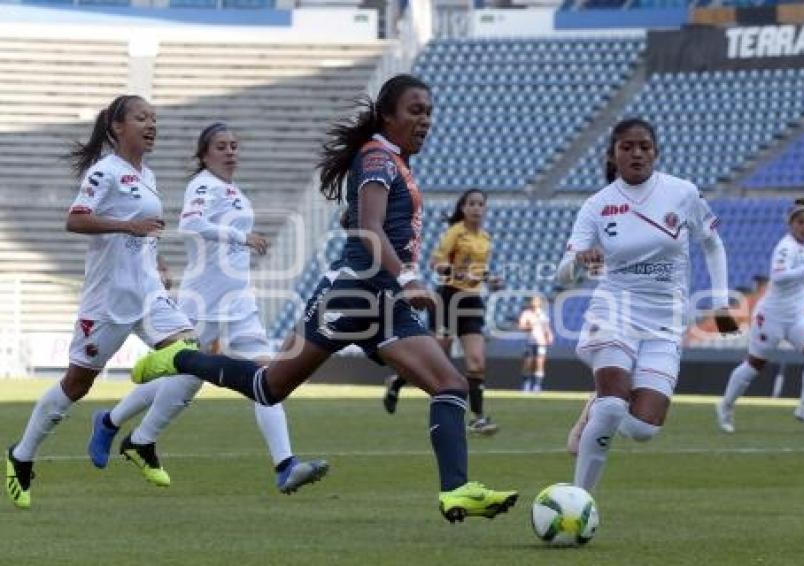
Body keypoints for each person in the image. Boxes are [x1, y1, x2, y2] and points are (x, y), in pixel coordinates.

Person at [128, 74, 518, 523]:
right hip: (353, 293)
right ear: (388, 116)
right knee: (269, 386)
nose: (425, 119)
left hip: (385, 301)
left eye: (429, 111)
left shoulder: (394, 161)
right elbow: (369, 228)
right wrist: (409, 276)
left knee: (450, 386)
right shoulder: (376, 157)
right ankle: (178, 359)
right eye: (415, 110)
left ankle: (457, 490)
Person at [88, 123, 329, 493]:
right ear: (204, 154)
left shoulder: (234, 191)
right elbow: (190, 222)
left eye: (234, 145)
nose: (230, 151)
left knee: (267, 381)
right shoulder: (203, 185)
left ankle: (286, 465)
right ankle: (119, 427)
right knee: (184, 381)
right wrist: (241, 236)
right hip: (203, 303)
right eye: (221, 146)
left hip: (239, 303)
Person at [5, 95, 202, 509]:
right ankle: (21, 456)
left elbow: (142, 231)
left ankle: (141, 440)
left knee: (192, 359)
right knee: (77, 384)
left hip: (149, 294)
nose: (152, 124)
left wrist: (157, 258)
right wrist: (127, 225)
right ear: (117, 127)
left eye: (154, 118)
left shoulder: (147, 173)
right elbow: (75, 219)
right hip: (107, 299)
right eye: (142, 118)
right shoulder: (104, 172)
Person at [556, 117, 739, 493]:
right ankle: (580, 501)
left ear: (656, 152)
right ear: (613, 154)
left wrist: (720, 301)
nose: (636, 153)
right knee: (612, 408)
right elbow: (563, 274)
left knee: (642, 429)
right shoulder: (597, 206)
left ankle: (598, 402)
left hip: (665, 320)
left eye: (644, 146)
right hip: (615, 311)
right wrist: (579, 261)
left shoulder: (682, 192)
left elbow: (712, 243)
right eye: (627, 147)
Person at [382, 189, 502, 435]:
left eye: (481, 204)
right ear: (464, 208)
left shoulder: (486, 238)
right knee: (438, 357)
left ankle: (477, 418)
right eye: (472, 204)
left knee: (477, 362)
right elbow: (436, 264)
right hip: (448, 299)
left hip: (471, 300)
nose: (477, 208)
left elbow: (479, 270)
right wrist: (458, 274)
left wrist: (491, 279)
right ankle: (398, 380)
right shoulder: (455, 233)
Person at [716, 198, 804, 432]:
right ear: (791, 224)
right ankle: (725, 406)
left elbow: (800, 279)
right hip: (772, 317)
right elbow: (777, 277)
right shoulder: (785, 247)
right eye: (800, 222)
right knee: (755, 364)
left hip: (796, 317)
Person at [518, 295, 554, 393]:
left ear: (540, 303)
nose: (534, 303)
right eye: (533, 301)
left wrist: (549, 336)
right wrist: (529, 326)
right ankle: (526, 384)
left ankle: (537, 385)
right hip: (530, 342)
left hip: (541, 342)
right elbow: (521, 326)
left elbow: (546, 328)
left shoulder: (543, 314)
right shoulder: (526, 313)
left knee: (540, 363)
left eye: (536, 301)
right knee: (528, 363)